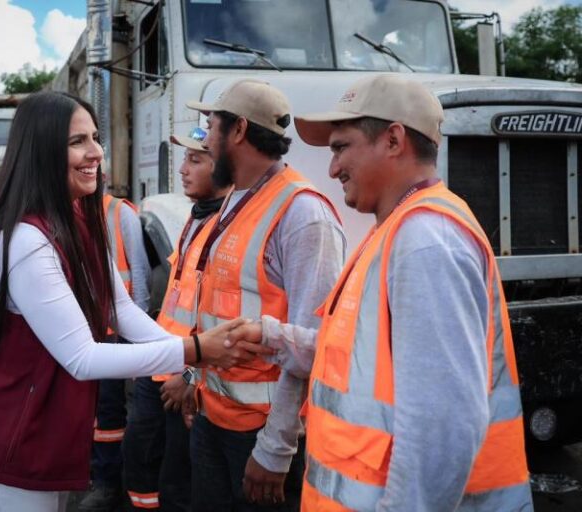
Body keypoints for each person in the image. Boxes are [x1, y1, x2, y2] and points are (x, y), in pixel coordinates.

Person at [0, 91, 269, 512]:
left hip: (42, 429)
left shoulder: (79, 218)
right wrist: (197, 349)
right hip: (4, 436)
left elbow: (120, 309)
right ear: (40, 149)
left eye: (95, 137)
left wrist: (188, 362)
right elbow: (81, 357)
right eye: (77, 141)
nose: (96, 152)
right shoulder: (25, 239)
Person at [230, 74, 533, 511]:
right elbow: (362, 358)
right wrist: (276, 338)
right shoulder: (398, 230)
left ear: (393, 140)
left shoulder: (424, 241)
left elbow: (442, 427)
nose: (332, 168)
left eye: (340, 148)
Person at [183, 80, 345, 511]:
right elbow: (215, 309)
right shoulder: (237, 199)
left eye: (210, 126)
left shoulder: (303, 215)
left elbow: (313, 344)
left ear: (237, 130)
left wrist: (275, 449)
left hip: (259, 439)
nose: (204, 140)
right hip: (212, 419)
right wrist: (193, 382)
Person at [122, 126, 230, 512]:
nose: (183, 169)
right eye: (185, 159)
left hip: (183, 373)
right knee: (142, 455)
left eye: (195, 160)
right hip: (164, 361)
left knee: (177, 478)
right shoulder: (194, 219)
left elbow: (224, 320)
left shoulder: (225, 229)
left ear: (223, 165)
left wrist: (189, 377)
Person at [79, 185, 151, 512]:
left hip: (115, 331)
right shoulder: (61, 212)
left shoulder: (119, 213)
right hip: (79, 330)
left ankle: (109, 481)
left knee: (109, 410)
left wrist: (140, 341)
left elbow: (139, 273)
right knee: (90, 410)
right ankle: (97, 475)